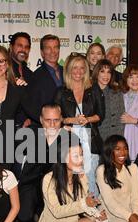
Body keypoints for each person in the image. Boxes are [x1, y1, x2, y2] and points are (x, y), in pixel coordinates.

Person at [33, 139, 104, 222]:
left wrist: (96, 213)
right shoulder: (49, 178)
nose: (81, 159)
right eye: (76, 156)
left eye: (82, 155)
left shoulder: (80, 176)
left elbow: (84, 203)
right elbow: (57, 212)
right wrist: (84, 204)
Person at [13, 104, 66, 222]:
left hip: (55, 185)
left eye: (56, 120)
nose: (52, 124)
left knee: (53, 218)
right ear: (41, 120)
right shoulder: (29, 133)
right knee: (23, 214)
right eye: (48, 120)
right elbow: (11, 154)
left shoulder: (69, 138)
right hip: (30, 182)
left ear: (62, 119)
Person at [0, 44, 36, 168]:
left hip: (9, 149)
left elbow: (35, 113)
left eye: (1, 61)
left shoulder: (18, 89)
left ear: (7, 63)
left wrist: (60, 122)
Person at [54, 53, 103, 196]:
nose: (78, 72)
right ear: (69, 70)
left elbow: (101, 114)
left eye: (82, 68)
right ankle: (75, 210)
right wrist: (71, 120)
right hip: (69, 139)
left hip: (90, 139)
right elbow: (56, 117)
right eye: (75, 68)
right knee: (72, 177)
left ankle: (94, 209)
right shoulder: (61, 92)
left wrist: (87, 119)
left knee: (91, 177)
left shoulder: (93, 89)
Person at [30, 34, 64, 124]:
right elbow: (33, 108)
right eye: (48, 48)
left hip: (67, 127)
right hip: (46, 129)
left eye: (55, 47)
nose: (53, 51)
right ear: (42, 52)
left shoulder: (68, 72)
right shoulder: (35, 77)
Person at [91, 59, 125, 140]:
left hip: (115, 136)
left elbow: (121, 115)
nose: (106, 75)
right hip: (96, 138)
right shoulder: (89, 92)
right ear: (97, 73)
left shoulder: (117, 91)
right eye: (102, 71)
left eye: (109, 72)